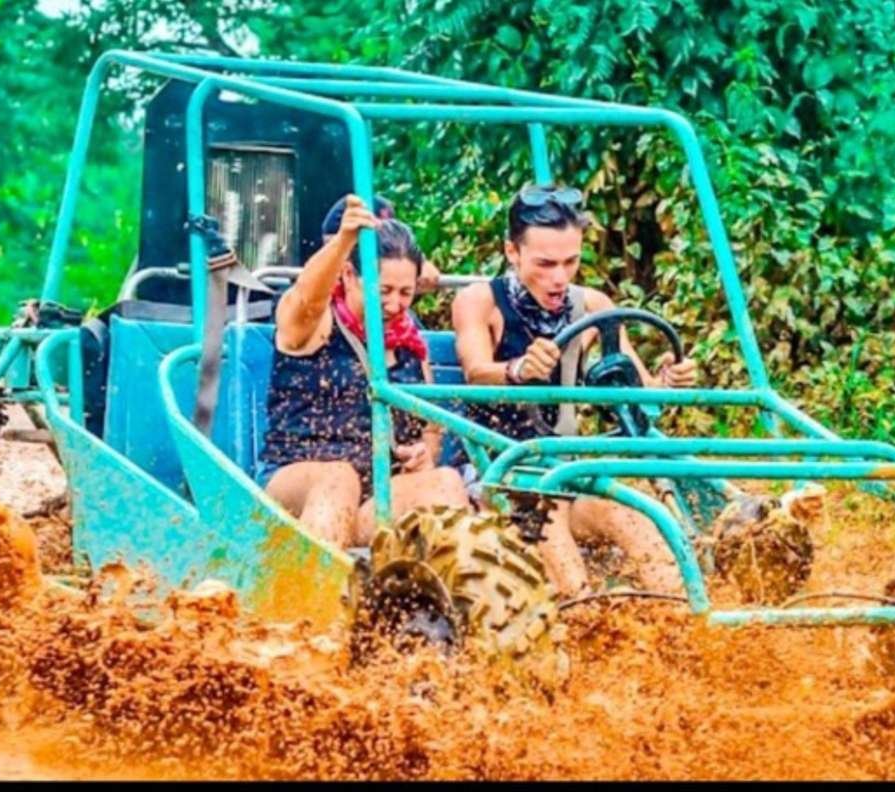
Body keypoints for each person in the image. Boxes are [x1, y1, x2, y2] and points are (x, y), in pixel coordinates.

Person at [450, 184, 699, 597]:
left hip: (566, 472)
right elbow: (476, 370)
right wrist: (518, 369)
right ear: (512, 252)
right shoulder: (479, 301)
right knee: (557, 537)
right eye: (545, 263)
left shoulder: (593, 305)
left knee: (634, 519)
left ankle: (684, 620)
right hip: (501, 473)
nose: (559, 278)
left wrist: (667, 381)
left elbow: (641, 389)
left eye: (571, 262)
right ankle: (581, 614)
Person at [256, 194, 468, 549]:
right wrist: (342, 242)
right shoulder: (315, 325)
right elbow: (307, 299)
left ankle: (457, 601)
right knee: (340, 477)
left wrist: (424, 453)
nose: (394, 304)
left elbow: (431, 425)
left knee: (445, 482)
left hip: (376, 496)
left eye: (406, 292)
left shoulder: (409, 342)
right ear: (350, 276)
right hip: (299, 484)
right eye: (383, 290)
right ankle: (312, 597)